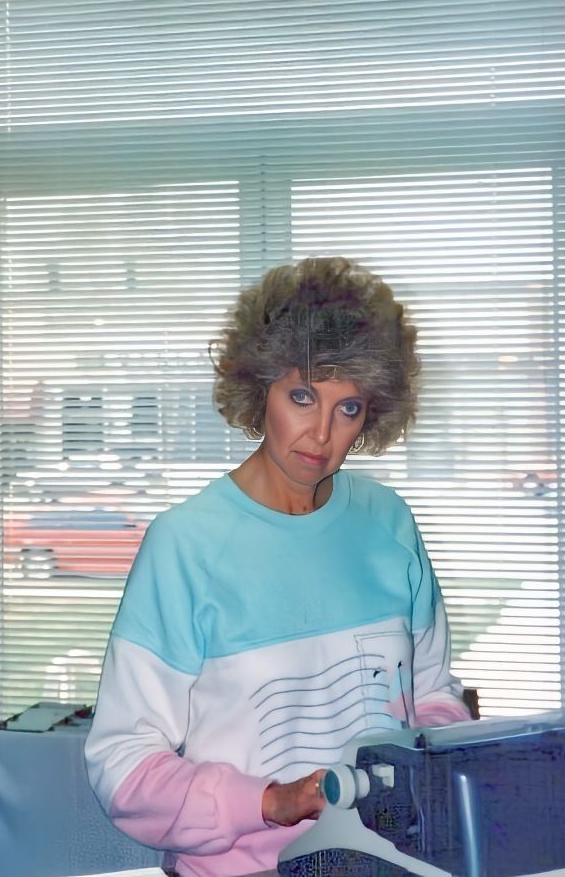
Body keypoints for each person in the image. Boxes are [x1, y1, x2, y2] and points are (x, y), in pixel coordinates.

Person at [84, 256, 470, 877]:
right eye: (302, 397)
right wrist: (270, 802)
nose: (321, 434)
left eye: (349, 408)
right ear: (258, 386)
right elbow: (122, 768)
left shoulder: (388, 522)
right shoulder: (187, 545)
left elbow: (431, 695)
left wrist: (433, 762)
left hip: (390, 862)